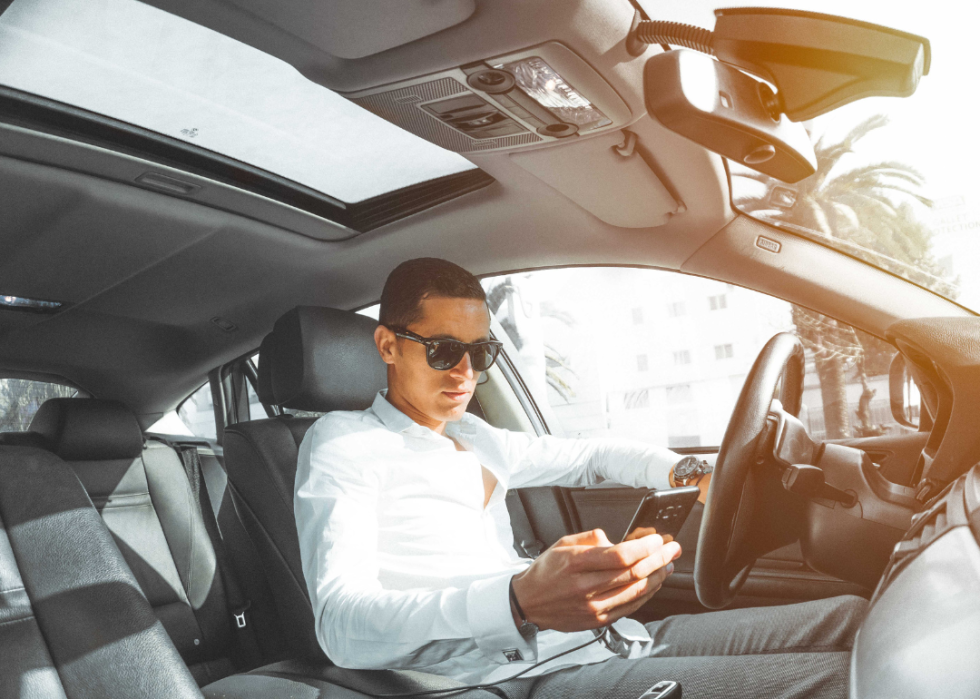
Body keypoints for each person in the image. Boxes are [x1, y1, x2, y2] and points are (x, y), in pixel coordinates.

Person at [294, 258, 867, 698]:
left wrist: (689, 471)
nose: (467, 374)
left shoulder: (479, 437)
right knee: (845, 681)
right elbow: (341, 626)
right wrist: (519, 603)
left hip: (608, 640)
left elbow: (590, 455)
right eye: (444, 351)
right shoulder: (343, 443)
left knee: (852, 617)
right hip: (518, 678)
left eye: (481, 351)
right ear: (388, 345)